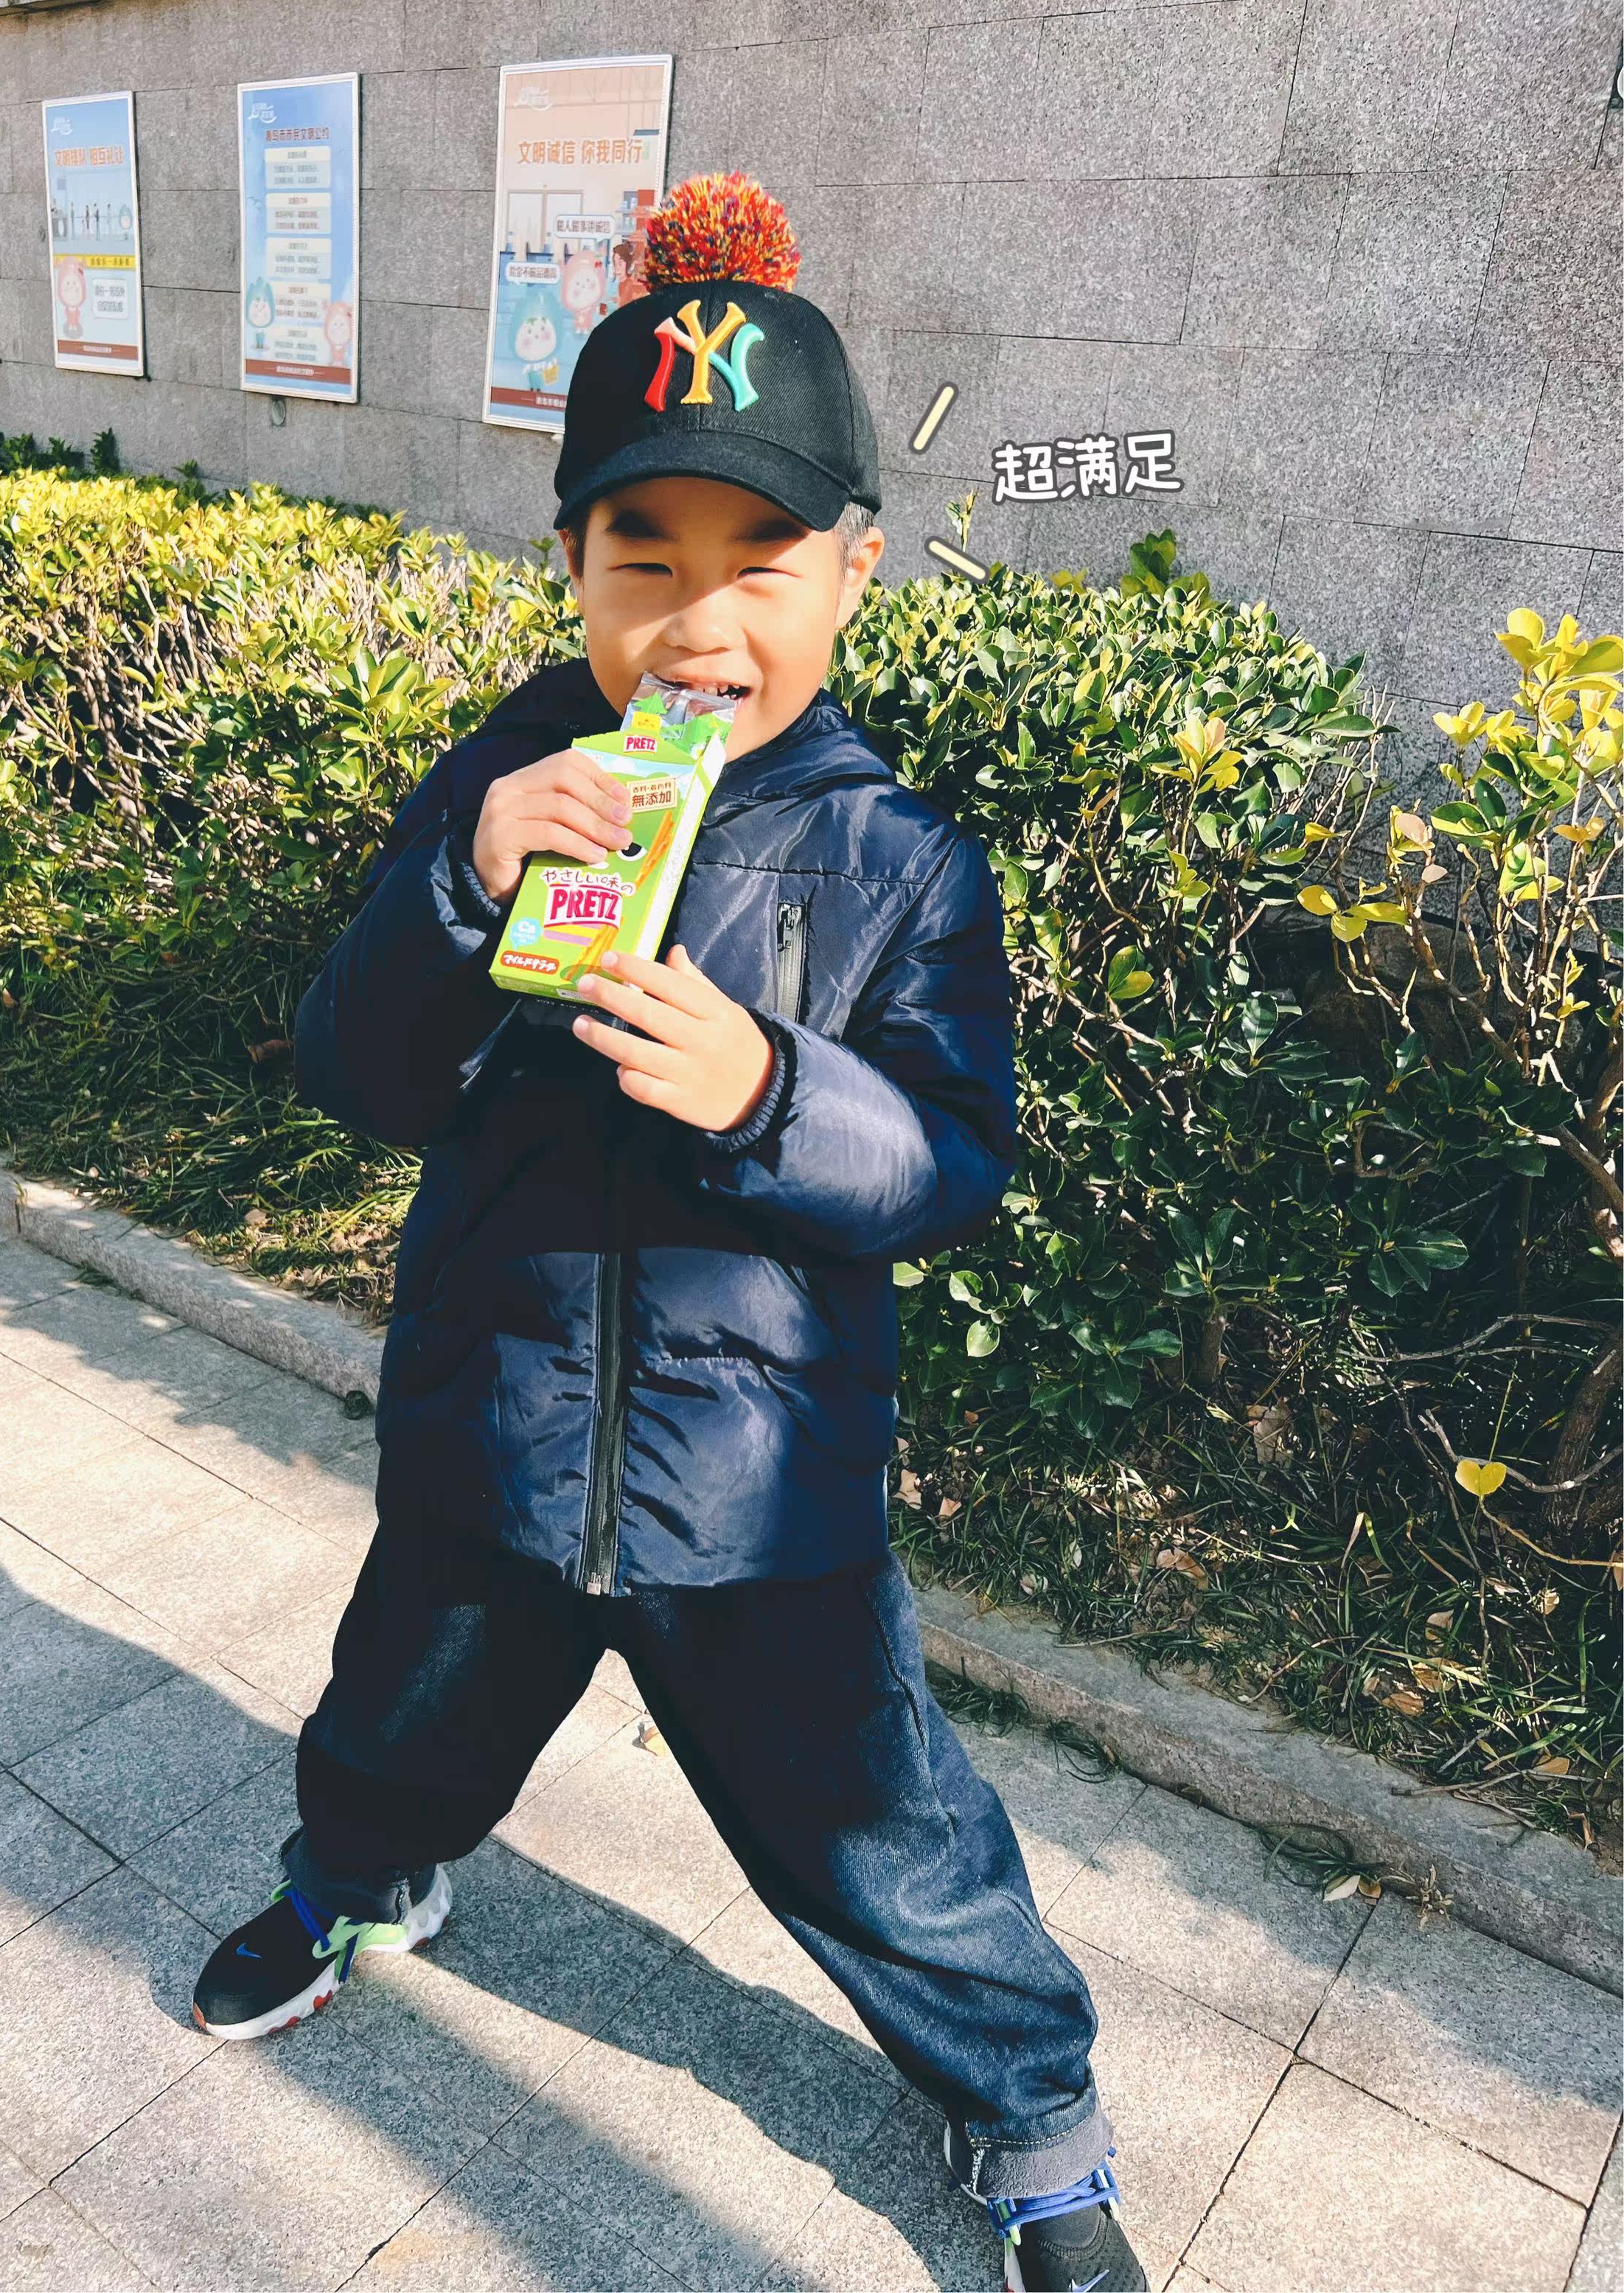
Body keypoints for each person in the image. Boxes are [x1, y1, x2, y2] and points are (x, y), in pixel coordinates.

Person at [192, 173, 1146, 2293]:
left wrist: (765, 1089)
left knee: (883, 1833)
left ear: (856, 572)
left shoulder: (901, 858)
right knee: (397, 1719)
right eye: (645, 556)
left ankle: (1030, 2109)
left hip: (761, 1490)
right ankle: (358, 1884)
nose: (700, 623)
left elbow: (948, 1166)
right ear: (572, 568)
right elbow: (359, 1069)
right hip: (491, 1433)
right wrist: (461, 882)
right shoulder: (510, 784)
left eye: (761, 559)